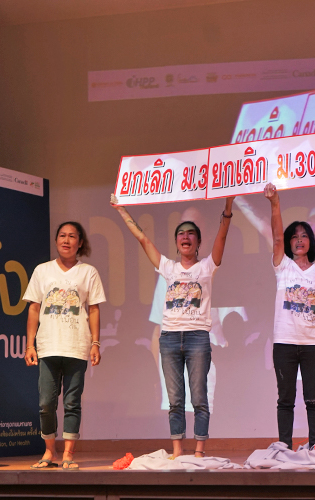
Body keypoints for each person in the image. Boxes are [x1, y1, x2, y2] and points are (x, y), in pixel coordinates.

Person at [111, 193, 235, 457]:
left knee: (199, 397)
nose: (186, 236)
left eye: (191, 233)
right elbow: (142, 238)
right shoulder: (167, 267)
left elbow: (222, 236)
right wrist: (122, 211)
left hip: (198, 338)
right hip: (169, 339)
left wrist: (228, 206)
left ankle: (200, 449)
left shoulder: (206, 267)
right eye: (181, 233)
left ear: (198, 241)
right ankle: (178, 449)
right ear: (177, 242)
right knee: (175, 399)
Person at [22, 221, 106, 470]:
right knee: (46, 402)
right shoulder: (42, 271)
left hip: (76, 346)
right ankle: (50, 451)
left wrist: (95, 342)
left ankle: (68, 454)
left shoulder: (88, 272)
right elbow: (34, 308)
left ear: (80, 242)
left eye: (72, 236)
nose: (66, 240)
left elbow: (93, 309)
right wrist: (30, 345)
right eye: (62, 236)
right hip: (48, 346)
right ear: (56, 240)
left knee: (72, 402)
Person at [264, 182, 315, 450]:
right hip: (284, 343)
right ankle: (284, 445)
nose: (299, 240)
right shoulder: (283, 266)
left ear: (310, 241)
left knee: (313, 398)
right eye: (295, 236)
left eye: (304, 236)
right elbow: (276, 236)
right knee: (285, 398)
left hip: (313, 344)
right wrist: (275, 202)